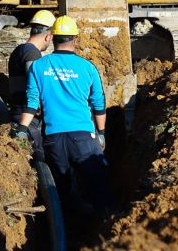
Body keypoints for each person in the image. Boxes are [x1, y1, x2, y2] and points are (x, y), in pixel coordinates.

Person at [14, 15, 113, 218]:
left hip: (53, 139)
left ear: (53, 38)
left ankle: (68, 227)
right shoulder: (88, 68)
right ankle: (106, 224)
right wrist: (101, 133)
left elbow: (32, 102)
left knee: (61, 191)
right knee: (98, 185)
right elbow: (99, 104)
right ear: (75, 40)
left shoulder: (39, 66)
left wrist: (22, 129)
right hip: (84, 138)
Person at [7, 10, 54, 162]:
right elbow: (36, 85)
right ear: (48, 36)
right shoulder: (32, 54)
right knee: (41, 161)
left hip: (18, 114)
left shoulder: (19, 50)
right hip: (27, 119)